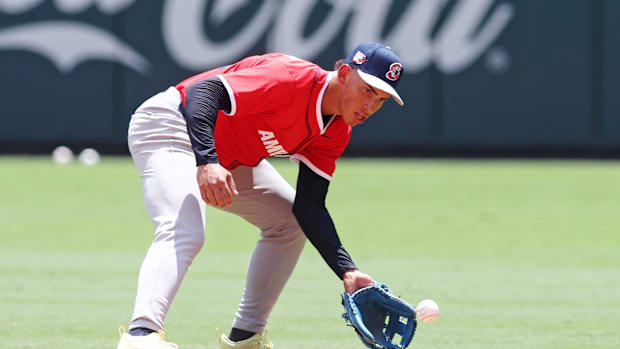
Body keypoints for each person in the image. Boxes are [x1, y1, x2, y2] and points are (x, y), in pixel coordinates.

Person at [117, 42, 405, 349]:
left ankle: (246, 338)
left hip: (227, 155)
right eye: (368, 91)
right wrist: (207, 161)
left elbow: (309, 206)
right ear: (345, 73)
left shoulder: (336, 131)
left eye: (382, 99)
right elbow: (203, 93)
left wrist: (347, 270)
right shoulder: (291, 79)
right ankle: (141, 335)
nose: (371, 105)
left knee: (288, 223)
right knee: (185, 228)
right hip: (171, 123)